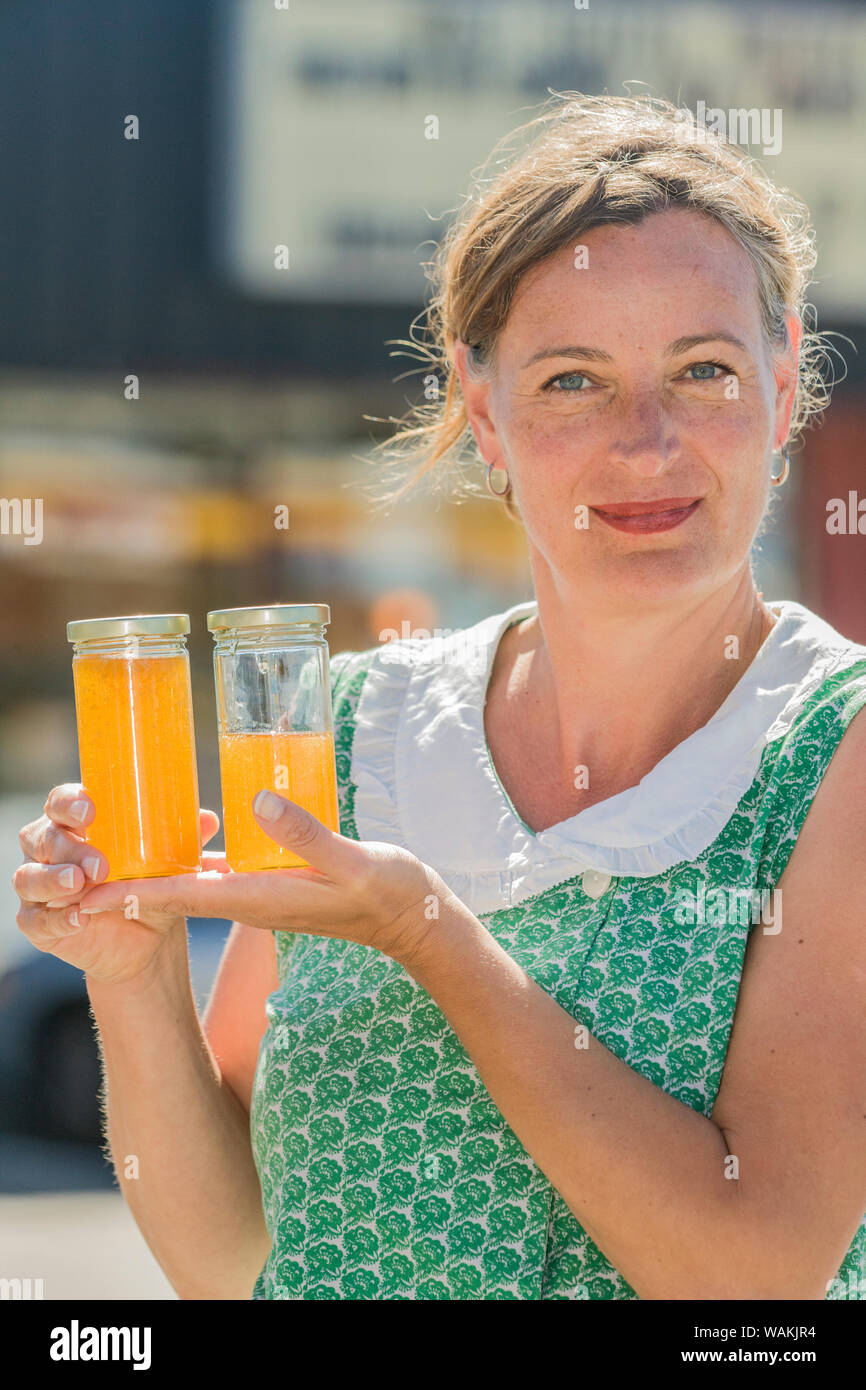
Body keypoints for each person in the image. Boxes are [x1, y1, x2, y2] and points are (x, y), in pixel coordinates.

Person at [14, 93, 866, 1301]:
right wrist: (130, 967)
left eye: (703, 371)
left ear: (781, 397)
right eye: (573, 380)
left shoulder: (836, 748)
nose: (645, 440)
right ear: (485, 418)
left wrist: (432, 939)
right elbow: (231, 1259)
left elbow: (751, 1281)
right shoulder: (357, 729)